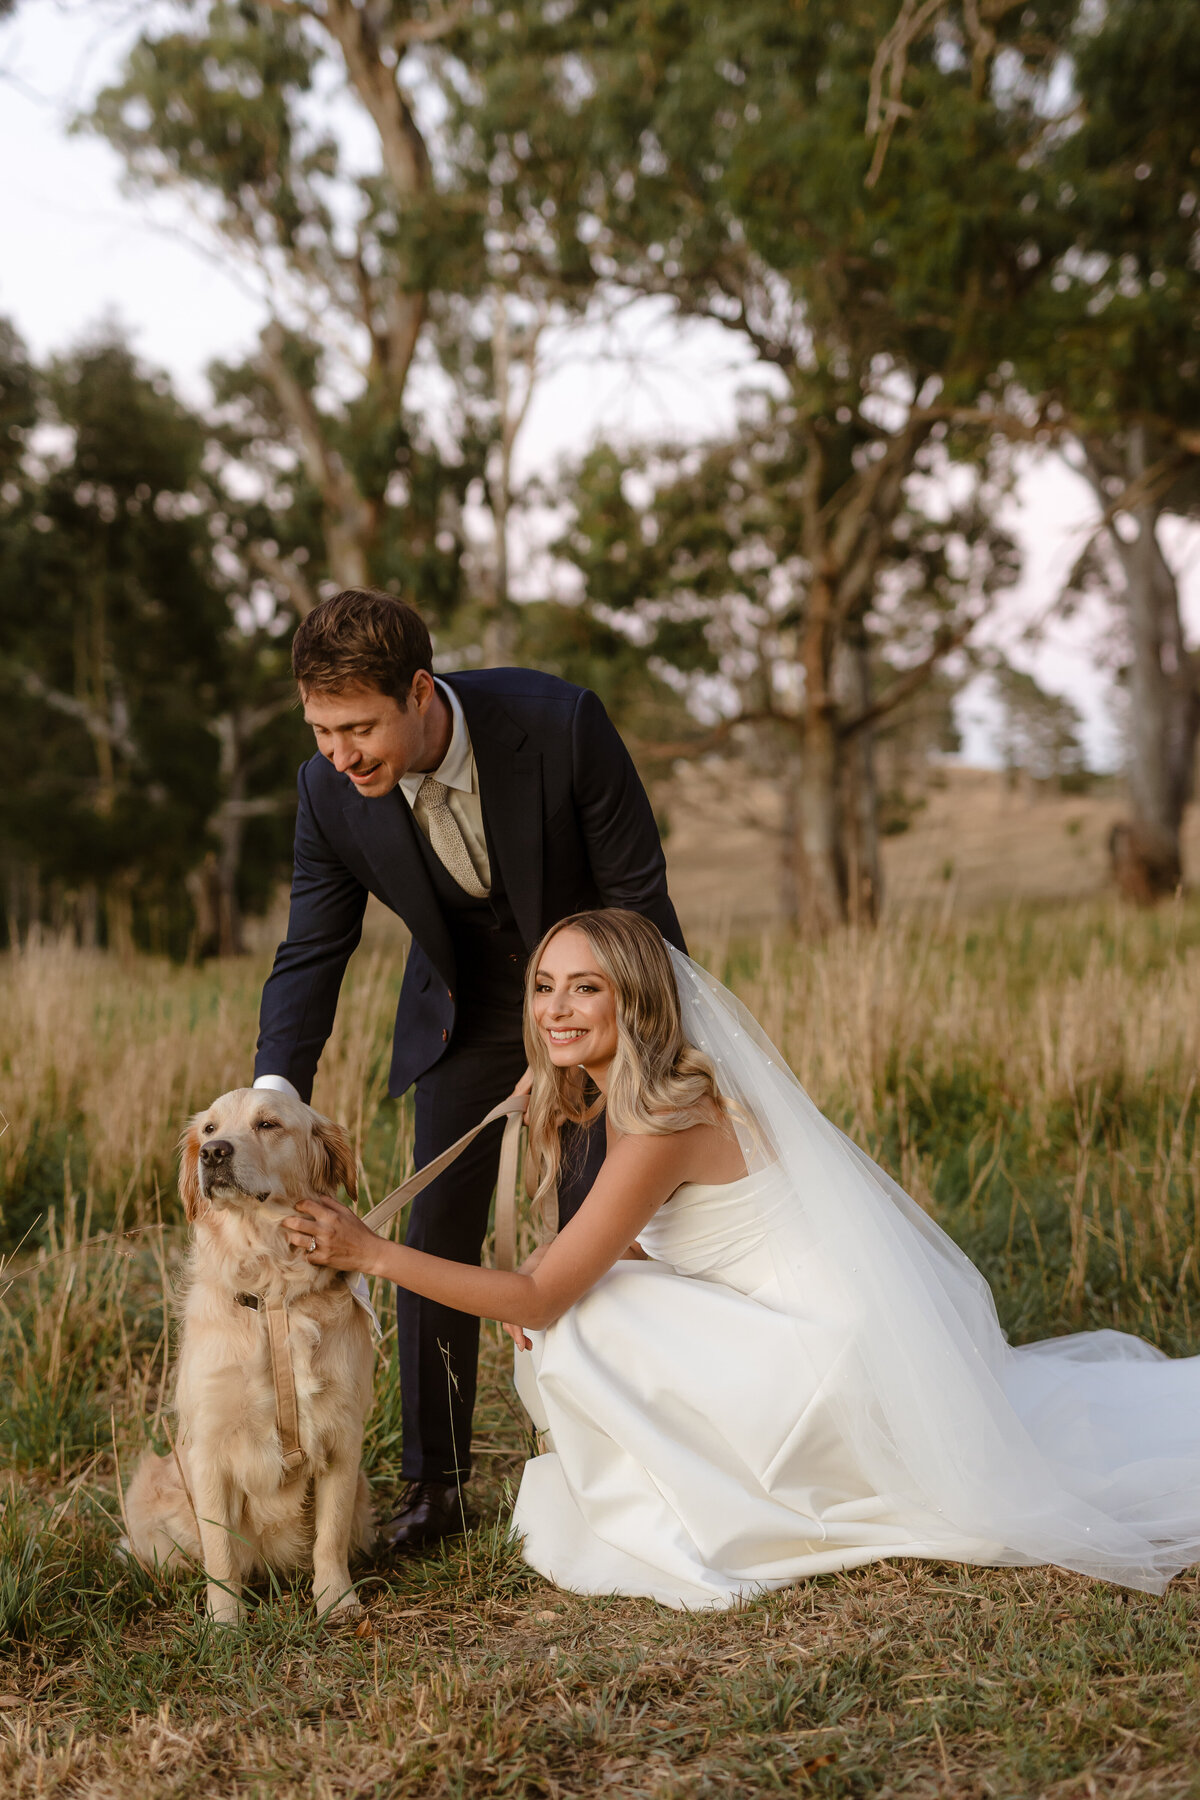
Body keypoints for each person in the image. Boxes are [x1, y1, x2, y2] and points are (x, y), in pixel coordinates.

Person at [287, 907, 1200, 1610]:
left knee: (584, 1316)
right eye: (543, 987)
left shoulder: (663, 1118)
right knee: (591, 1306)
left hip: (834, 1367)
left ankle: (711, 1506)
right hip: (824, 1338)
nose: (556, 1009)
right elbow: (617, 1253)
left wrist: (369, 1251)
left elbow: (540, 1292)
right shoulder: (652, 1092)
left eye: (585, 989)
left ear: (634, 999)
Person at [254, 591, 684, 1556]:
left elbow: (641, 905)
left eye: (360, 727)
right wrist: (274, 1093)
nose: (341, 753)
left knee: (602, 1224)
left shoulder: (560, 725)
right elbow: (311, 952)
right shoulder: (326, 791)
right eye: (321, 730)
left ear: (418, 692)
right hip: (464, 1011)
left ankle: (627, 1451)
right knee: (431, 1231)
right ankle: (436, 1487)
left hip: (593, 994)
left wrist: (600, 1043)